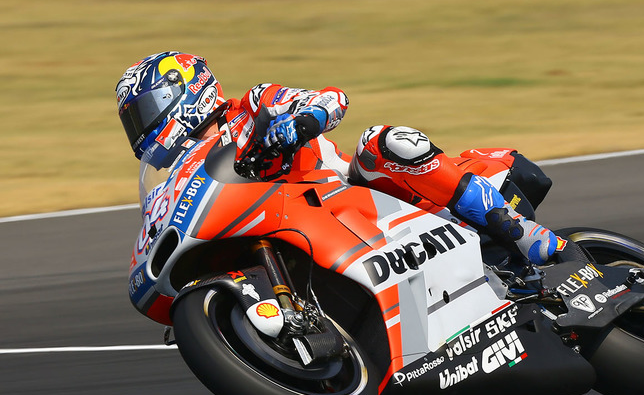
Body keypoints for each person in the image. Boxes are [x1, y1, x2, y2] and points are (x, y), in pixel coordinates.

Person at [116, 51, 557, 266]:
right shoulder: (185, 175)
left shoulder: (254, 105)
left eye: (143, 113)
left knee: (383, 142)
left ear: (181, 92)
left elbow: (333, 98)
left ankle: (518, 231)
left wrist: (304, 121)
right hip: (307, 234)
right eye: (133, 122)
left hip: (355, 195)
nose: (141, 130)